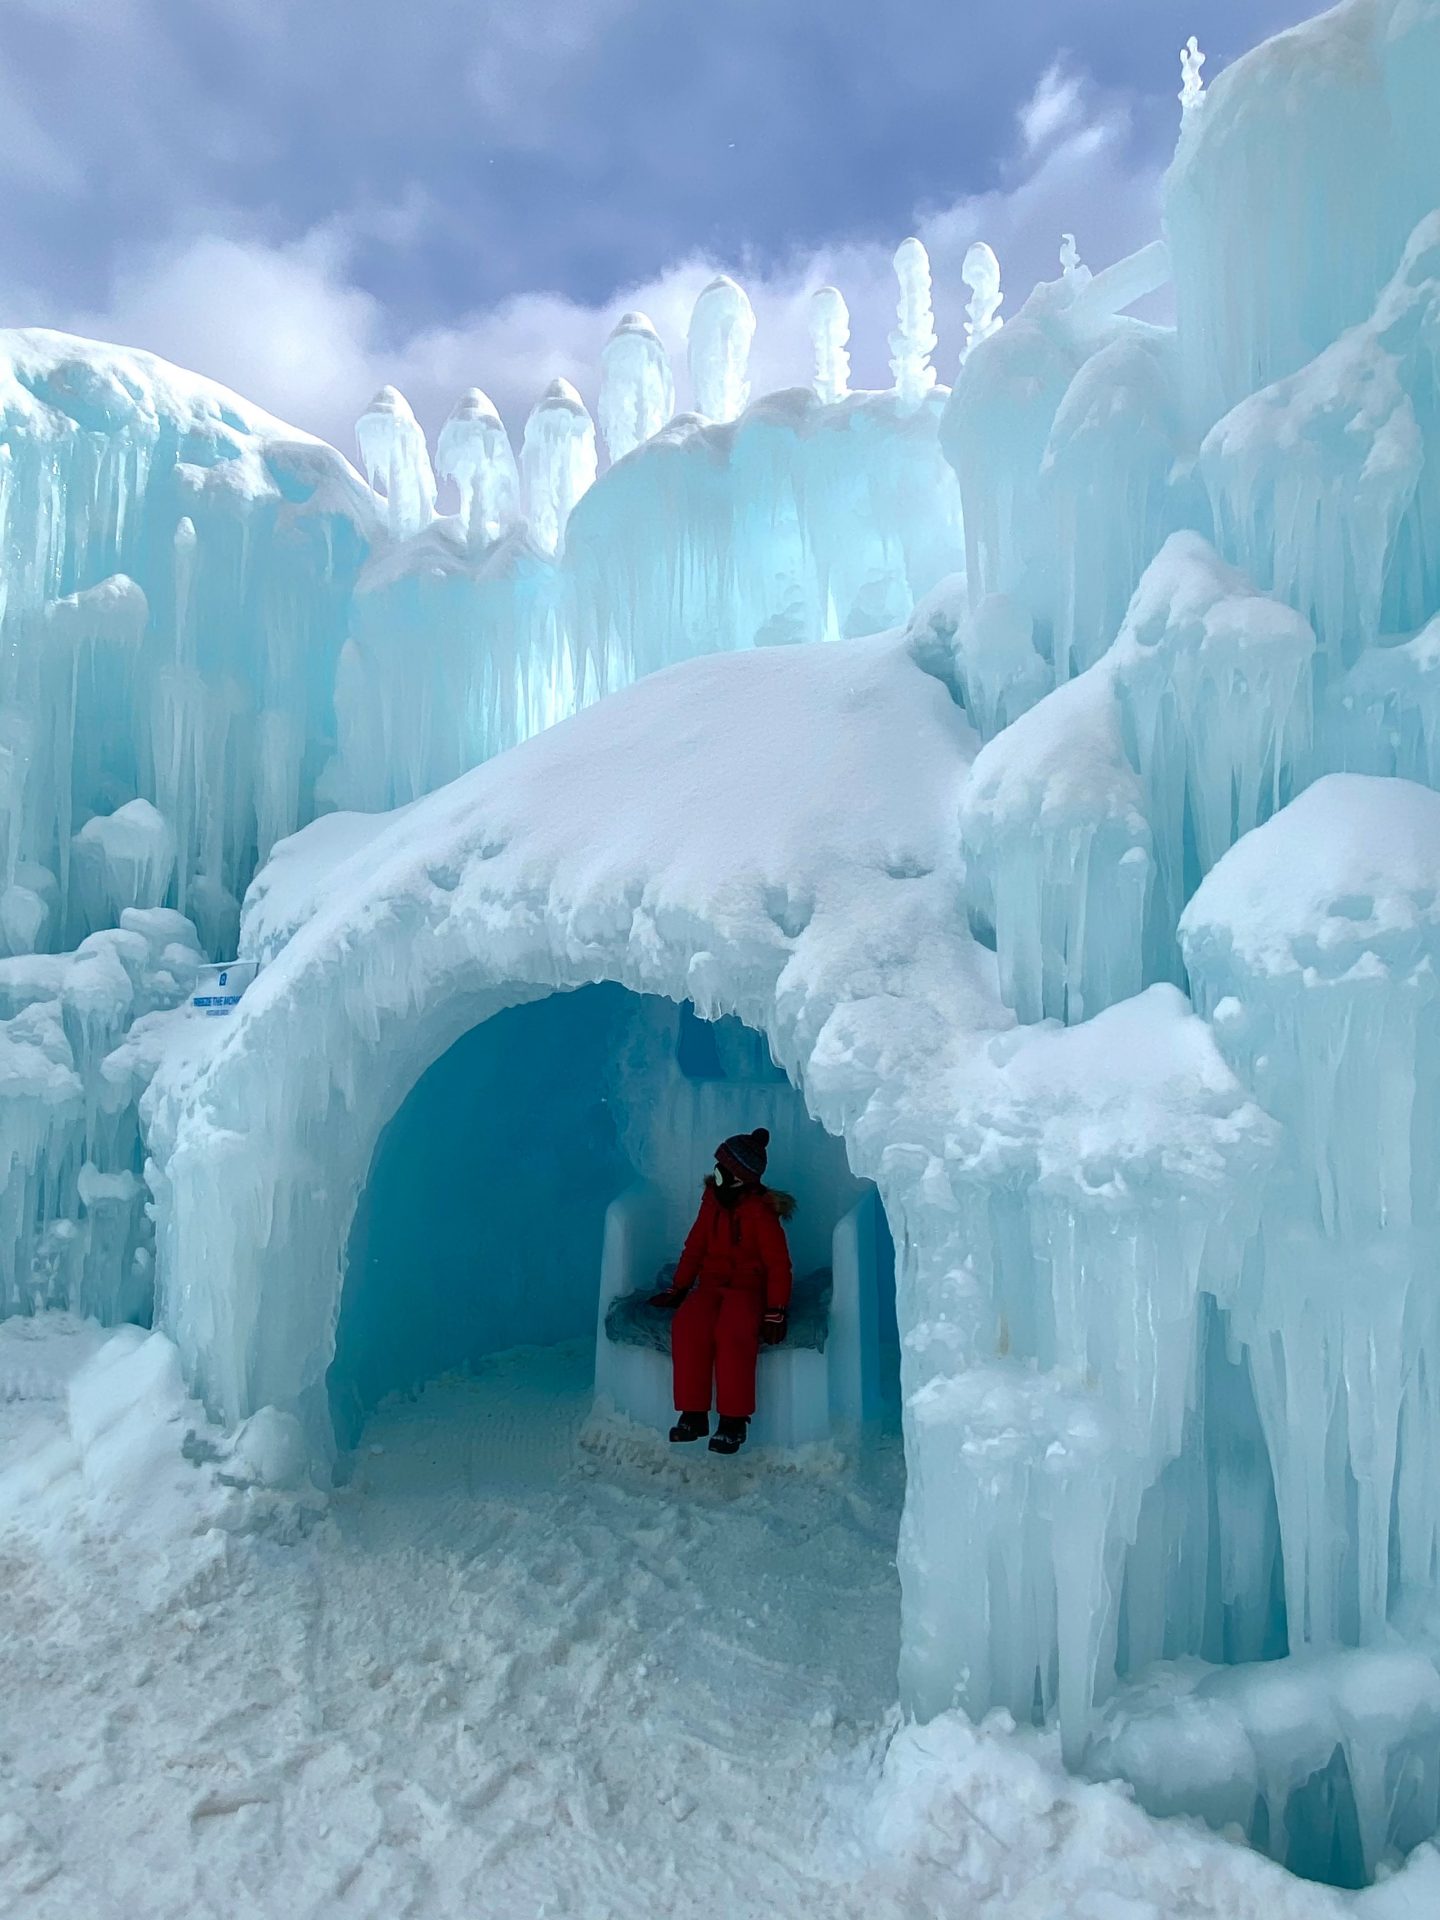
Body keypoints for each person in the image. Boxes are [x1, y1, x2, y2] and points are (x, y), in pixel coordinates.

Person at [649, 1128, 794, 1455]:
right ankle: (693, 1413)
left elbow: (778, 1265)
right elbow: (696, 1244)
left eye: (722, 1170)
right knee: (688, 1325)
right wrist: (680, 1286)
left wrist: (776, 1309)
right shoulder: (712, 1201)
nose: (715, 1175)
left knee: (733, 1334)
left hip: (747, 1288)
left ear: (740, 1177)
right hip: (711, 1284)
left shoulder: (761, 1212)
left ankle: (733, 1421)